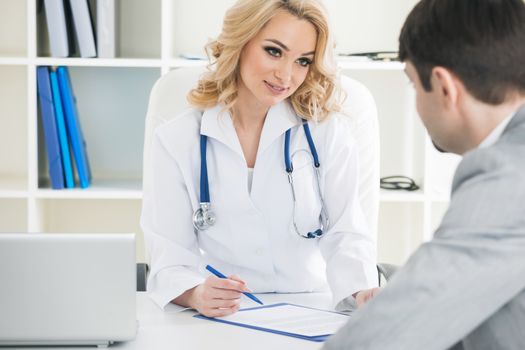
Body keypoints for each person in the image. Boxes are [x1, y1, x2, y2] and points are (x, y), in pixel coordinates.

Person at [140, 0, 379, 317]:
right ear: (240, 43)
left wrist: (361, 292)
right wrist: (196, 293)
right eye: (274, 51)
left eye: (303, 61)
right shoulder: (177, 139)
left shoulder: (327, 133)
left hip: (313, 308)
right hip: (225, 313)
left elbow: (346, 233)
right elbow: (169, 255)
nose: (286, 75)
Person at [324, 0, 525, 349]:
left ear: (444, 87)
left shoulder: (506, 173)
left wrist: (407, 297)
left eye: (413, 86)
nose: (417, 103)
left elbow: (391, 329)